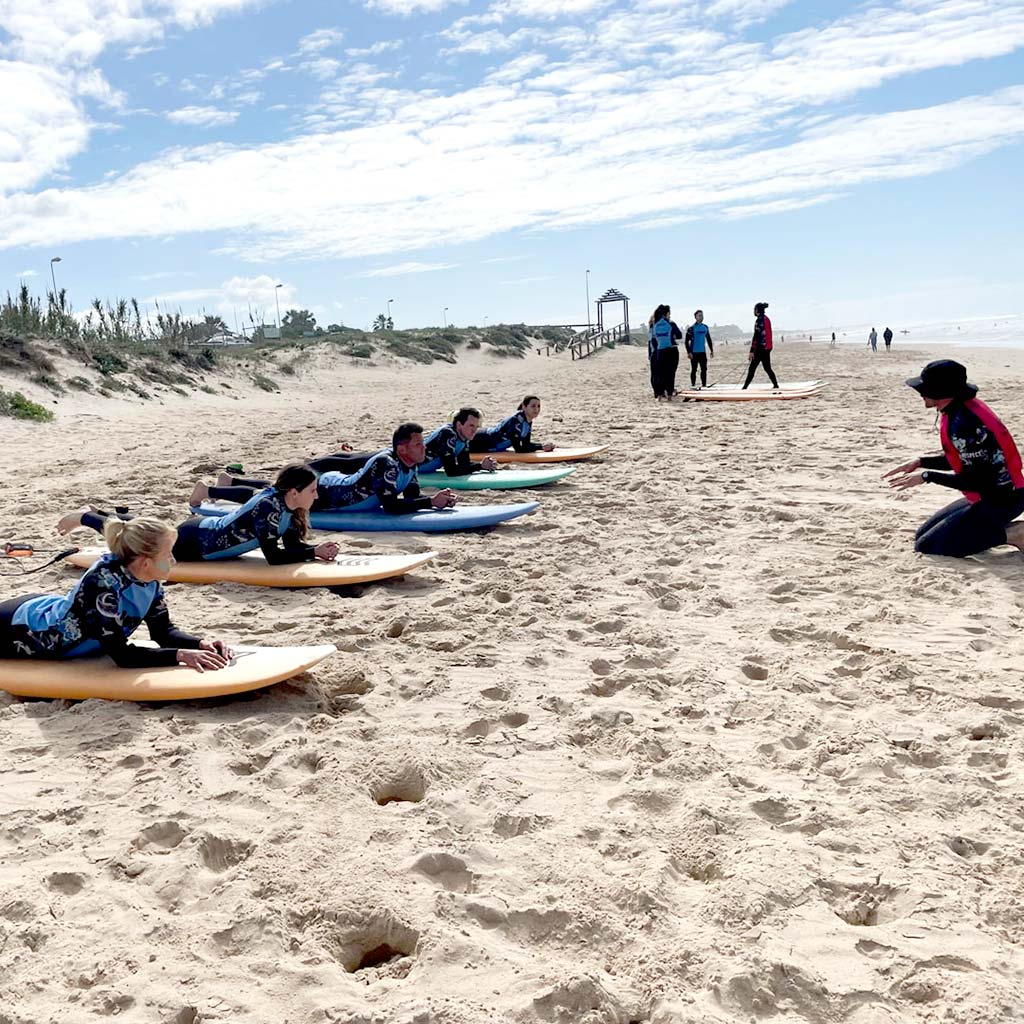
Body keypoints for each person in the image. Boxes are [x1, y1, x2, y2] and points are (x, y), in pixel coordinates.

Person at [0, 517, 232, 669]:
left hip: (47, 606)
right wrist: (181, 655)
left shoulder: (150, 580)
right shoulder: (102, 585)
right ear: (144, 561)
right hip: (19, 628)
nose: (173, 560)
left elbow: (163, 632)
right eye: (168, 555)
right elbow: (122, 655)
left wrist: (200, 644)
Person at [61, 465, 340, 566]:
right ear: (294, 492)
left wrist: (314, 550)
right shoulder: (269, 507)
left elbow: (291, 548)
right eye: (313, 490)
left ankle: (104, 512)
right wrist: (312, 552)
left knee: (152, 527)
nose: (316, 496)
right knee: (135, 540)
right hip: (196, 541)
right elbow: (274, 557)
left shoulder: (291, 509)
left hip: (203, 531)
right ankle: (87, 518)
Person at [883, 359, 1024, 558]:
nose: (921, 393)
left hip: (1002, 499)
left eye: (925, 389)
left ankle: (1014, 534)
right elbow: (961, 460)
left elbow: (974, 481)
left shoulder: (965, 423)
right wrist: (920, 462)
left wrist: (926, 476)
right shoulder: (958, 409)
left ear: (942, 393)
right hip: (991, 494)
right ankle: (989, 529)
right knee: (921, 535)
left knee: (930, 546)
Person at [421, 408, 499, 476]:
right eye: (471, 426)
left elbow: (464, 464)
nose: (474, 431)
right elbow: (451, 471)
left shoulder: (464, 436)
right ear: (459, 425)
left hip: (426, 471)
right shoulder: (448, 434)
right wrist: (480, 466)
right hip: (414, 470)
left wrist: (483, 464)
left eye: (476, 427)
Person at [469, 396, 555, 453]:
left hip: (489, 442)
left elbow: (526, 444)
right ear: (524, 407)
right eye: (533, 406)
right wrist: (541, 447)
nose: (536, 409)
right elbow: (519, 449)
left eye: (538, 406)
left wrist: (543, 445)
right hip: (479, 440)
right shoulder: (516, 421)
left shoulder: (528, 421)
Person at [742, 301, 779, 390]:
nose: (753, 311)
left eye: (754, 309)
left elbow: (756, 336)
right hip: (767, 348)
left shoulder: (759, 320)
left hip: (760, 348)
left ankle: (745, 387)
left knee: (752, 368)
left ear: (757, 310)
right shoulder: (766, 319)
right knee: (767, 367)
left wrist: (752, 351)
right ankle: (776, 385)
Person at [649, 305, 683, 400]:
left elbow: (653, 340)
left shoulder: (654, 325)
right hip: (671, 350)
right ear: (667, 313)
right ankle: (669, 395)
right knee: (670, 373)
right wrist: (672, 337)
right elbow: (679, 335)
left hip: (660, 351)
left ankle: (659, 395)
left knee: (660, 373)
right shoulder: (670, 324)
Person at [684, 310, 714, 389]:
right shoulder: (691, 328)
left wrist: (711, 350)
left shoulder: (705, 327)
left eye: (702, 315)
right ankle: (693, 385)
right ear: (695, 317)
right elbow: (686, 342)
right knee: (694, 369)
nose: (701, 317)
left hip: (702, 352)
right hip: (694, 352)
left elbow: (708, 339)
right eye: (699, 315)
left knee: (704, 369)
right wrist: (689, 352)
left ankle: (704, 385)